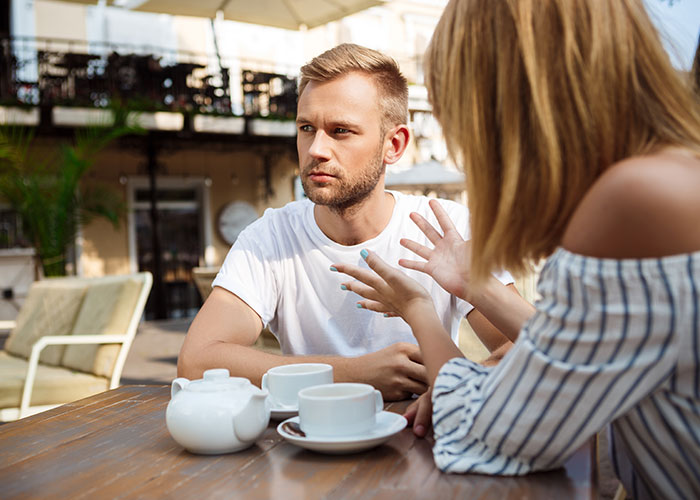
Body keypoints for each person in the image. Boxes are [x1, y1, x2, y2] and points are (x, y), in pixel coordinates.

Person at [331, 1, 700, 498]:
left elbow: (487, 429)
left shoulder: (633, 202)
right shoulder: (677, 172)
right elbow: (581, 356)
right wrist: (476, 288)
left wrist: (418, 307)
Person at [177, 43, 517, 401]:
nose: (316, 149)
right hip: (310, 444)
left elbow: (525, 347)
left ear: (395, 145)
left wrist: (461, 386)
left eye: (340, 131)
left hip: (421, 442)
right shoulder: (271, 237)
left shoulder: (443, 227)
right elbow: (198, 361)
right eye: (307, 128)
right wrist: (354, 375)